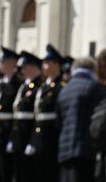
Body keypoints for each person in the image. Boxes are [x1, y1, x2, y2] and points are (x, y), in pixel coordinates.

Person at [56, 56, 106, 182]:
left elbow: (58, 122)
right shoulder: (95, 87)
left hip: (65, 150)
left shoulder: (64, 90)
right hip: (86, 149)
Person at [30, 45, 64, 178]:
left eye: (47, 62)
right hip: (39, 136)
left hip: (51, 136)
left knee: (50, 172)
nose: (43, 65)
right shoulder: (44, 86)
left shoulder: (60, 87)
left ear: (56, 65)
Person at [0, 48, 20, 182]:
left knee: (5, 167)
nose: (1, 64)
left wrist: (13, 136)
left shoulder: (17, 84)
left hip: (7, 129)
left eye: (4, 62)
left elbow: (16, 112)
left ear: (12, 64)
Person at [8, 51, 41, 181]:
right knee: (18, 171)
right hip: (19, 134)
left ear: (32, 66)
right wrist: (12, 137)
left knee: (29, 172)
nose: (22, 71)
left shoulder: (39, 85)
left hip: (28, 134)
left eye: (25, 67)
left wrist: (33, 140)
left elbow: (37, 117)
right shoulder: (24, 86)